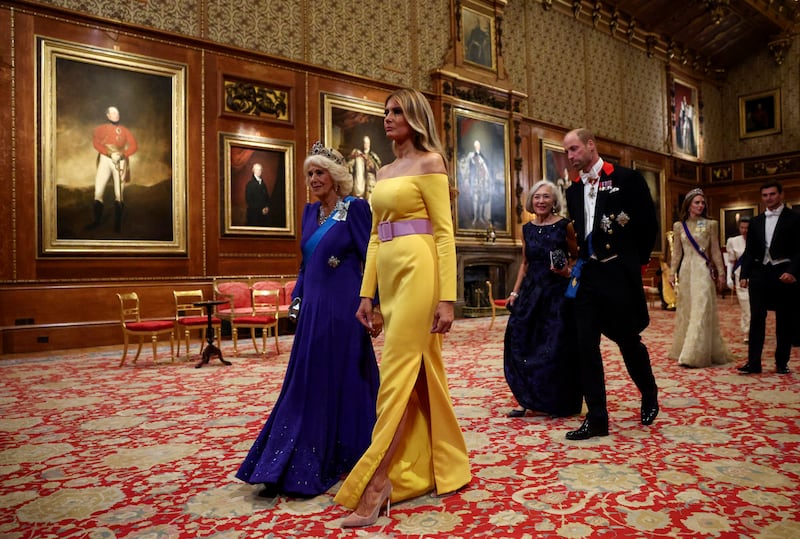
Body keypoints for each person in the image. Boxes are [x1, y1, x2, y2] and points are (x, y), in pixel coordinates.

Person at [334, 88, 471, 527]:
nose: (388, 117)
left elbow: (444, 233)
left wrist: (447, 297)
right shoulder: (386, 170)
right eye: (386, 111)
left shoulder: (431, 163)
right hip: (390, 278)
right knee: (418, 375)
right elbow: (376, 236)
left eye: (397, 111)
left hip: (420, 272)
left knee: (395, 373)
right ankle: (441, 464)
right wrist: (366, 295)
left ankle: (376, 482)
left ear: (415, 117)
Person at [236, 142, 380, 497]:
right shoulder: (308, 213)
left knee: (345, 375)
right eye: (310, 173)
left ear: (336, 176)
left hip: (344, 307)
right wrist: (296, 300)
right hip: (313, 306)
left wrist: (373, 303)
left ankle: (354, 450)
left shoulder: (355, 208)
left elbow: (371, 257)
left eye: (320, 173)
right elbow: (304, 265)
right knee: (307, 379)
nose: (314, 179)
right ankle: (289, 456)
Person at [562, 128, 659, 441]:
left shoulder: (627, 179)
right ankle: (597, 418)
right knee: (585, 346)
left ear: (591, 145)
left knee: (627, 340)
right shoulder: (573, 191)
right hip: (587, 277)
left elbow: (648, 224)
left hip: (617, 274)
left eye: (574, 149)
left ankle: (649, 391)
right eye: (566, 152)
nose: (570, 156)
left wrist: (633, 262)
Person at [504, 180, 582, 418]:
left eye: (546, 197)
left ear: (554, 201)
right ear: (531, 201)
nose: (541, 201)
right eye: (537, 197)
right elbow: (525, 263)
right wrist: (514, 292)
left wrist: (567, 272)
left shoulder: (565, 226)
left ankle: (556, 401)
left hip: (557, 294)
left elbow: (577, 257)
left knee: (554, 346)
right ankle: (526, 398)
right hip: (531, 292)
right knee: (521, 341)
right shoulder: (526, 229)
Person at [738, 181, 800, 375]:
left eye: (772, 194)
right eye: (765, 195)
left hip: (783, 273)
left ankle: (782, 363)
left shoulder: (795, 218)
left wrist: (793, 271)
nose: (769, 198)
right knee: (756, 318)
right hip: (759, 274)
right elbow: (749, 251)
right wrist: (744, 274)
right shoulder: (756, 221)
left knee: (784, 320)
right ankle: (753, 363)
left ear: (781, 194)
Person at [668, 189, 731, 367]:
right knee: (688, 309)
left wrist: (721, 272)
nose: (701, 205)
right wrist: (672, 272)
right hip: (686, 270)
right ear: (688, 205)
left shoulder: (710, 224)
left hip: (702, 269)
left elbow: (716, 250)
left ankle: (693, 354)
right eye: (697, 202)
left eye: (703, 202)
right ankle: (687, 348)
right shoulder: (679, 226)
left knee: (701, 307)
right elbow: (677, 253)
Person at [88, 106, 138, 232]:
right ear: (108, 116)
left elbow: (134, 146)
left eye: (118, 113)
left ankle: (117, 225)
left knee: (119, 194)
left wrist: (123, 154)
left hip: (120, 160)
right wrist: (109, 153)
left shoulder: (124, 130)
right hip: (105, 159)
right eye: (114, 113)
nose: (117, 115)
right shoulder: (100, 129)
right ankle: (97, 221)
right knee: (98, 191)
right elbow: (96, 143)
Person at [726, 216, 751, 342]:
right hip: (740, 277)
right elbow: (731, 261)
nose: (744, 230)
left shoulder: (757, 240)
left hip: (756, 277)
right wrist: (728, 277)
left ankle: (755, 331)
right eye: (742, 227)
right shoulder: (733, 241)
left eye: (747, 228)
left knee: (756, 307)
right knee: (746, 307)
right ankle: (747, 332)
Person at [467, 139, 491, 228]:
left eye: (478, 145)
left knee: (481, 199)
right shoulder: (472, 157)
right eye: (476, 146)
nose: (477, 147)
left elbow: (486, 170)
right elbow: (470, 169)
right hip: (475, 182)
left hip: (482, 182)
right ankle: (475, 217)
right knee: (475, 199)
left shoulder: (483, 157)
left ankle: (480, 217)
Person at [348, 135, 382, 200]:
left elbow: (378, 168)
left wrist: (369, 163)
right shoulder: (356, 154)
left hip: (370, 184)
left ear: (369, 144)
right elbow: (349, 167)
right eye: (364, 142)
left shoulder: (373, 156)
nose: (365, 144)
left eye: (367, 143)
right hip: (358, 184)